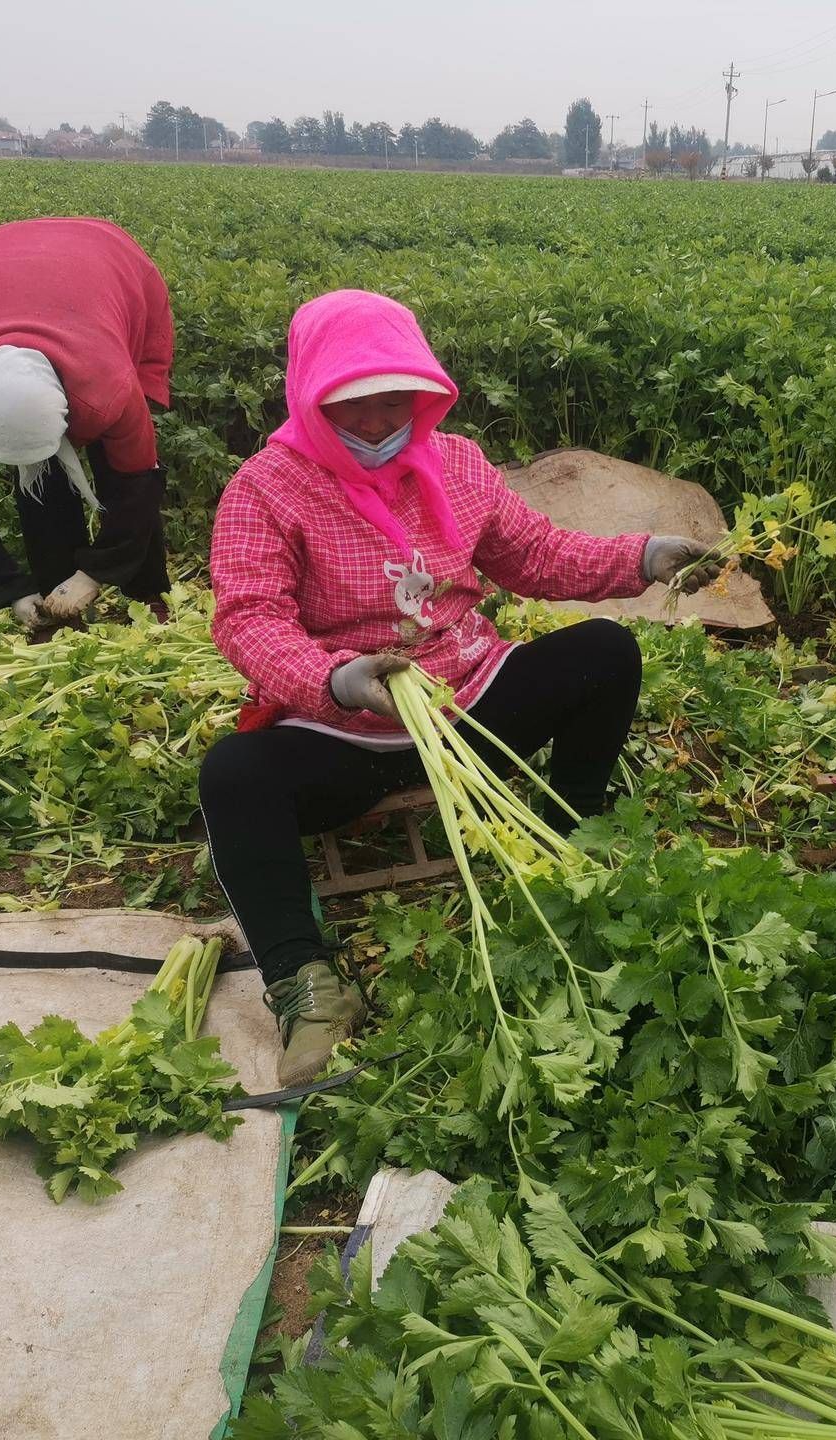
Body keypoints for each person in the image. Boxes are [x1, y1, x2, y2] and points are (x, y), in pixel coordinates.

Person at [199, 289, 712, 1085]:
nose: (376, 423)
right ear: (311, 394)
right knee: (233, 776)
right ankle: (306, 981)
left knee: (606, 653)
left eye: (394, 401)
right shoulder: (267, 488)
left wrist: (639, 559)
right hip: (347, 725)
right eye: (352, 406)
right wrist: (334, 678)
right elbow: (248, 619)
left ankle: (576, 830)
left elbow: (537, 555)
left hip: (467, 696)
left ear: (425, 393)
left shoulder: (458, 464)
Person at [0, 217, 174, 630]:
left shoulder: (108, 387)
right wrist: (9, 590)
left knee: (117, 468)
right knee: (40, 476)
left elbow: (139, 478)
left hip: (115, 265)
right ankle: (54, 597)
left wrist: (98, 572)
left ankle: (145, 593)